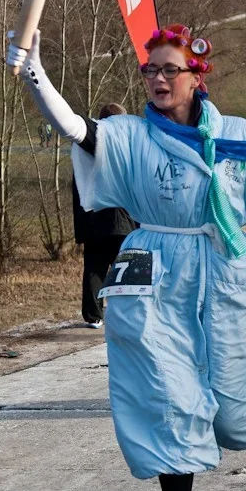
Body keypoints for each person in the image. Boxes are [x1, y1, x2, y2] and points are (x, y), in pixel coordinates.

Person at [7, 24, 246, 491]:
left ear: (197, 77)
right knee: (167, 395)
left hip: (224, 274)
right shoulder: (131, 136)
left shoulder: (241, 138)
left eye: (171, 69)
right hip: (157, 274)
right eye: (151, 70)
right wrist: (34, 72)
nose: (158, 79)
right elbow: (75, 126)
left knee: (231, 405)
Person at [72, 102, 138, 328]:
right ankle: (132, 311)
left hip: (94, 219)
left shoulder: (83, 150)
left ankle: (93, 314)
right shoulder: (127, 147)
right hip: (123, 219)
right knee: (128, 265)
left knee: (94, 268)